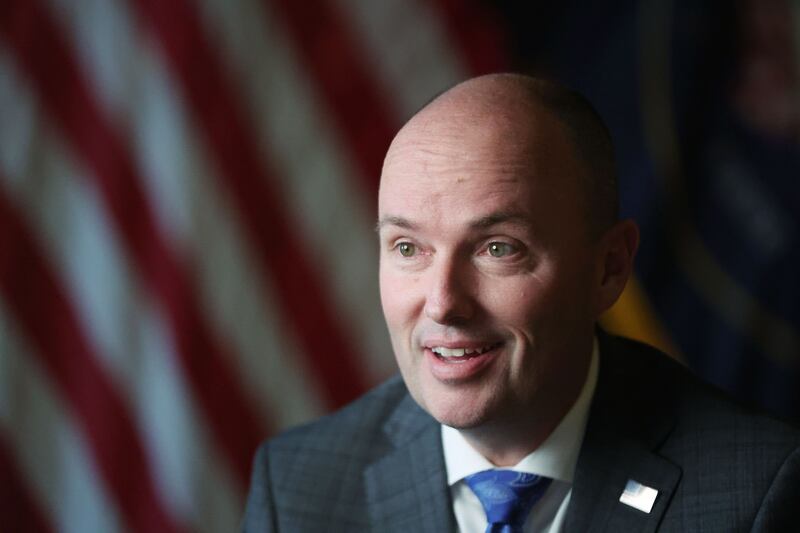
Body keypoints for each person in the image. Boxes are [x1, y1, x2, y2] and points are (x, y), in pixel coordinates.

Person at [241, 73, 800, 532]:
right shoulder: (297, 490)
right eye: (408, 247)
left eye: (496, 249)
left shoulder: (757, 490)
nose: (442, 304)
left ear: (608, 268)